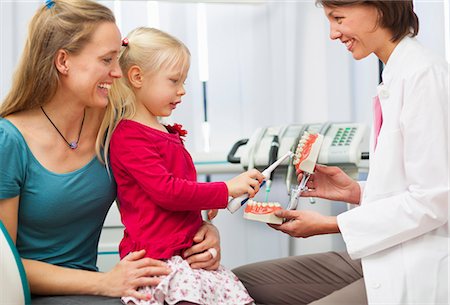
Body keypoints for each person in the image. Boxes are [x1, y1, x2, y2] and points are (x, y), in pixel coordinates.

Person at [0, 1, 224, 304]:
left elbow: (163, 195)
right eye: (107, 60)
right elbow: (4, 265)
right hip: (35, 294)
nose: (117, 73)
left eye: (118, 59)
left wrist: (203, 233)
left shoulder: (115, 126)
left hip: (98, 287)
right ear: (63, 61)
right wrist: (103, 282)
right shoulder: (9, 141)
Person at [233, 1, 449, 304]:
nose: (333, 34)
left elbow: (434, 201)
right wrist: (355, 192)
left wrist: (331, 225)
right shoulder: (395, 75)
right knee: (242, 282)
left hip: (415, 263)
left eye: (338, 19)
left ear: (380, 9)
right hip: (383, 252)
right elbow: (409, 185)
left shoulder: (424, 76)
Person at [107, 27, 265, 305]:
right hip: (159, 259)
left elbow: (180, 187)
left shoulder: (163, 132)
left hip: (184, 254)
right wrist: (224, 189)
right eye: (173, 80)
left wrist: (204, 202)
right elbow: (167, 192)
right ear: (137, 77)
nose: (182, 90)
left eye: (183, 81)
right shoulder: (129, 136)